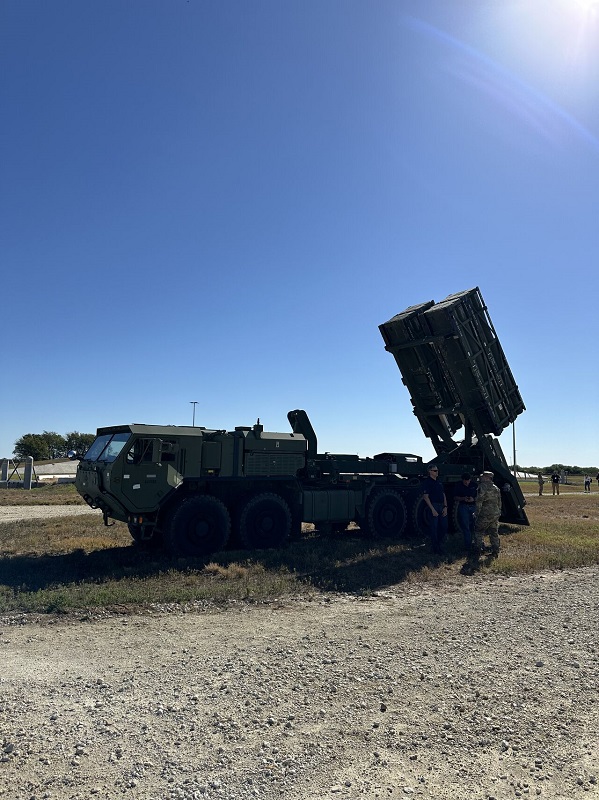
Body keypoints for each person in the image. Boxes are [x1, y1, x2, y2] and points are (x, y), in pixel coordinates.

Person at [474, 471, 502, 557]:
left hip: (485, 514)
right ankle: (495, 551)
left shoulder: (482, 487)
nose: (481, 478)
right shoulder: (496, 488)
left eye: (483, 476)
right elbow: (499, 502)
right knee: (494, 532)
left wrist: (476, 513)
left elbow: (479, 502)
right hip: (495, 514)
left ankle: (478, 551)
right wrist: (498, 511)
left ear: (487, 477)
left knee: (478, 531)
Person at [422, 464, 448, 555]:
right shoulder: (427, 482)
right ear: (430, 472)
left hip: (441, 506)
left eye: (437, 470)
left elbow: (443, 494)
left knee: (444, 527)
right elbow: (425, 497)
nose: (437, 472)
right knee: (434, 528)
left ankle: (439, 545)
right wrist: (432, 509)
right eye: (435, 470)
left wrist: (445, 507)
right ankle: (435, 549)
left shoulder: (439, 482)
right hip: (434, 506)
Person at [454, 473, 477, 549]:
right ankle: (468, 545)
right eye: (465, 481)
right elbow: (455, 497)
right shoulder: (459, 486)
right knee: (465, 525)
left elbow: (480, 496)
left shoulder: (474, 485)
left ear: (470, 480)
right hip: (464, 506)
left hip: (473, 506)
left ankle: (477, 543)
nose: (467, 482)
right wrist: (463, 498)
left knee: (476, 525)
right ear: (462, 480)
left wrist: (473, 499)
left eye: (468, 481)